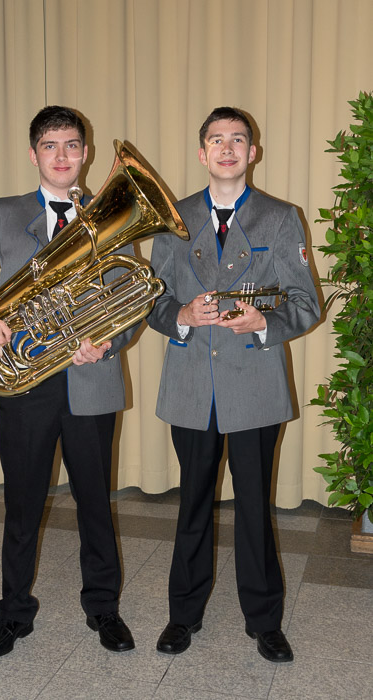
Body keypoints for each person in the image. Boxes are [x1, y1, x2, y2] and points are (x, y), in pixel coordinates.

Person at [0, 106, 137, 658]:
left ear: (86, 153)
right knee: (22, 506)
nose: (62, 155)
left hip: (91, 378)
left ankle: (104, 609)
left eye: (72, 145)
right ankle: (13, 615)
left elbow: (133, 295)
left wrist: (107, 340)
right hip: (26, 385)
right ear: (33, 154)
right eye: (50, 146)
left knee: (96, 503)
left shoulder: (112, 212)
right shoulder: (5, 214)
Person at [146, 106, 320, 662]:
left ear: (253, 152)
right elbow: (150, 299)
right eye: (216, 140)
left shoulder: (281, 217)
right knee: (192, 503)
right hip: (192, 385)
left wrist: (264, 323)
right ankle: (183, 615)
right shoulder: (172, 217)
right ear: (202, 153)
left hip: (254, 385)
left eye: (237, 140)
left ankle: (264, 621)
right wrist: (182, 316)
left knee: (254, 507)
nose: (227, 148)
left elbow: (306, 303)